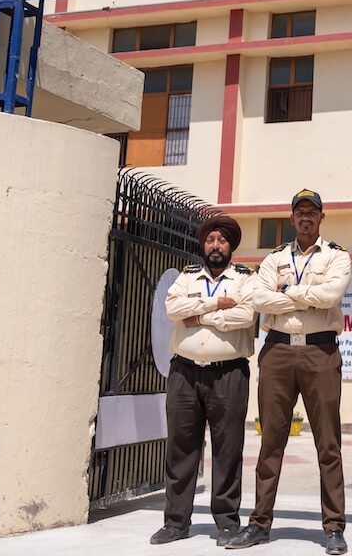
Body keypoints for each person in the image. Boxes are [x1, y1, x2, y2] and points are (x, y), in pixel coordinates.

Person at [229, 190, 351, 554]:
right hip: (278, 351)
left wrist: (287, 291)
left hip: (319, 350)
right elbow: (258, 299)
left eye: (312, 212)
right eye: (300, 212)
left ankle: (333, 527)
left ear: (321, 218)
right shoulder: (275, 257)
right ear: (292, 217)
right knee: (270, 443)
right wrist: (305, 293)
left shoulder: (336, 256)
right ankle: (259, 523)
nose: (306, 218)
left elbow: (332, 295)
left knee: (328, 443)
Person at [151, 215, 256, 547]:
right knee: (182, 448)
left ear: (230, 246)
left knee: (228, 449)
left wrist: (196, 316)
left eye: (222, 241)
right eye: (210, 240)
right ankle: (175, 521)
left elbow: (246, 315)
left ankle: (226, 522)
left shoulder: (245, 279)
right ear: (203, 245)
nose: (215, 246)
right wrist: (215, 304)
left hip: (229, 373)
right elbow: (172, 308)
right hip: (184, 371)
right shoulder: (186, 276)